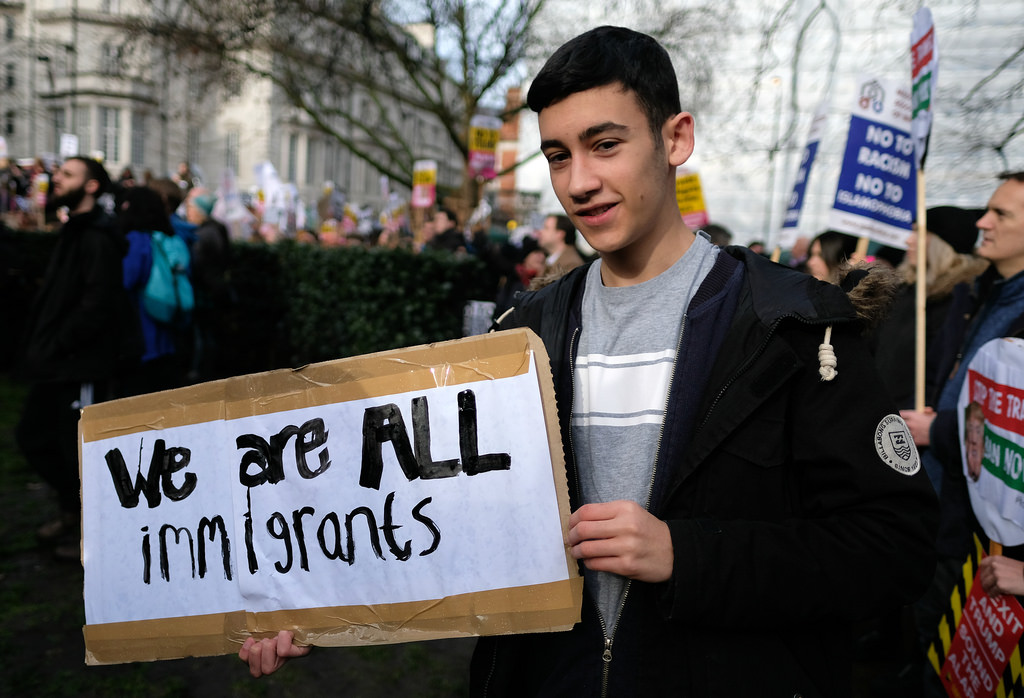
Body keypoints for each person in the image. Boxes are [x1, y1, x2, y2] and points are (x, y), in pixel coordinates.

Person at [240, 27, 938, 696]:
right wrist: (323, 600)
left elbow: (894, 546)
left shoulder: (794, 328)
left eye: (604, 144)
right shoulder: (521, 336)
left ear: (676, 139)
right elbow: (450, 523)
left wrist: (688, 555)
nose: (578, 181)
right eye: (557, 156)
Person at [900, 172, 1024, 696]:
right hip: (956, 517)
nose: (982, 222)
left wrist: (941, 429)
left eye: (1002, 214)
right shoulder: (983, 295)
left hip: (1000, 546)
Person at [15, 156, 128, 558]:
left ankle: (90, 536)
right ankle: (72, 514)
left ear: (92, 186)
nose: (56, 179)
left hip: (79, 363)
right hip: (58, 362)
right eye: (58, 173)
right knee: (36, 437)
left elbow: (98, 304)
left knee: (75, 450)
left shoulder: (97, 237)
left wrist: (60, 342)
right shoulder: (76, 230)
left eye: (67, 174)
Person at [119, 185, 189, 396]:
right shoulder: (172, 238)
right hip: (168, 328)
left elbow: (127, 280)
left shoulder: (136, 240)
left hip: (142, 330)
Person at [184, 193, 231, 382]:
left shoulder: (204, 234)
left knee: (203, 336)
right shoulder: (216, 230)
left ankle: (201, 373)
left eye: (191, 207)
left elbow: (200, 266)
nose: (188, 212)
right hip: (213, 291)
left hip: (205, 293)